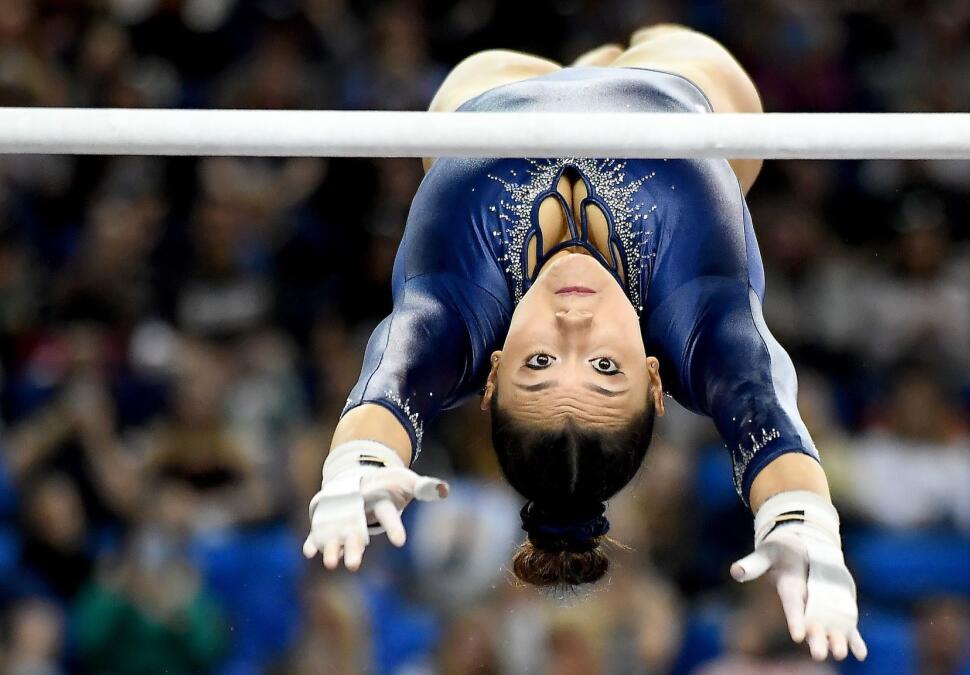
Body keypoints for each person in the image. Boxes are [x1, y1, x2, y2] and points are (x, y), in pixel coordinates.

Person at [304, 24, 866, 662]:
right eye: (605, 367)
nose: (573, 328)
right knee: (665, 37)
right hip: (677, 84)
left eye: (539, 364)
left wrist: (360, 461)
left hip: (490, 90)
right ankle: (623, 41)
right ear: (656, 378)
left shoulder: (456, 306)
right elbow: (763, 409)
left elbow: (391, 386)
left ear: (490, 373)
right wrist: (800, 516)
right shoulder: (697, 312)